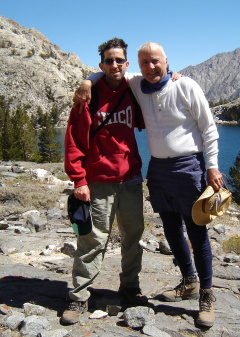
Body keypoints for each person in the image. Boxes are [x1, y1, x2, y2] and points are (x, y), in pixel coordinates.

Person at [76, 42, 224, 328]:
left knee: (196, 230)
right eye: (145, 63)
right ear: (138, 67)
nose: (151, 67)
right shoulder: (139, 85)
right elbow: (109, 73)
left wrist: (212, 166)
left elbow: (208, 128)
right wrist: (87, 80)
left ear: (167, 61)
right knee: (171, 229)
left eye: (155, 61)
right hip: (157, 169)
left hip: (188, 167)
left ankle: (206, 294)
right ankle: (188, 281)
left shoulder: (186, 86)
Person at [62, 37, 147, 325]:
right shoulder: (90, 95)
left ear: (126, 64)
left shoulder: (134, 89)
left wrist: (175, 76)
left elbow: (158, 89)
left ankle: (130, 288)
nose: (114, 64)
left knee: (133, 237)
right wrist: (78, 179)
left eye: (119, 60)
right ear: (101, 65)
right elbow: (74, 139)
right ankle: (79, 296)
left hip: (131, 178)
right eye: (108, 60)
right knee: (92, 240)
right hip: (98, 181)